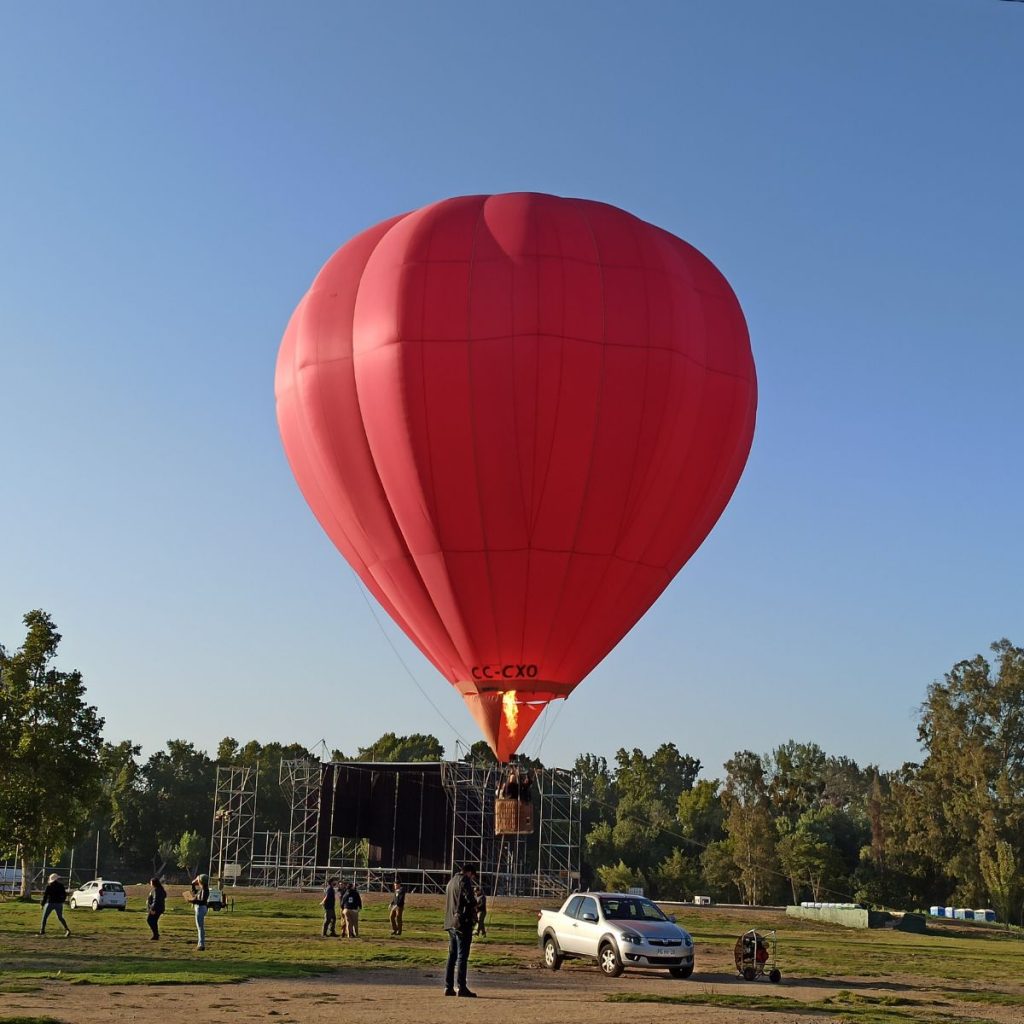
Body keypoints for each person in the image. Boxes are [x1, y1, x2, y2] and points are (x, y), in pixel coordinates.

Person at [443, 863, 478, 997]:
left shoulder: (451, 881)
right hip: (462, 923)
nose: (472, 879)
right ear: (469, 873)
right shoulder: (464, 880)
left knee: (452, 956)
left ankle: (448, 986)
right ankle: (461, 987)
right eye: (472, 876)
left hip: (450, 922)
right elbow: (469, 900)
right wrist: (477, 903)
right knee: (462, 956)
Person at [189, 872, 210, 950]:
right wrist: (192, 884)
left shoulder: (205, 890)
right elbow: (195, 893)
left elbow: (202, 901)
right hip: (200, 908)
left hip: (200, 908)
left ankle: (201, 945)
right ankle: (200, 944)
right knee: (199, 927)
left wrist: (193, 901)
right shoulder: (203, 889)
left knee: (200, 927)